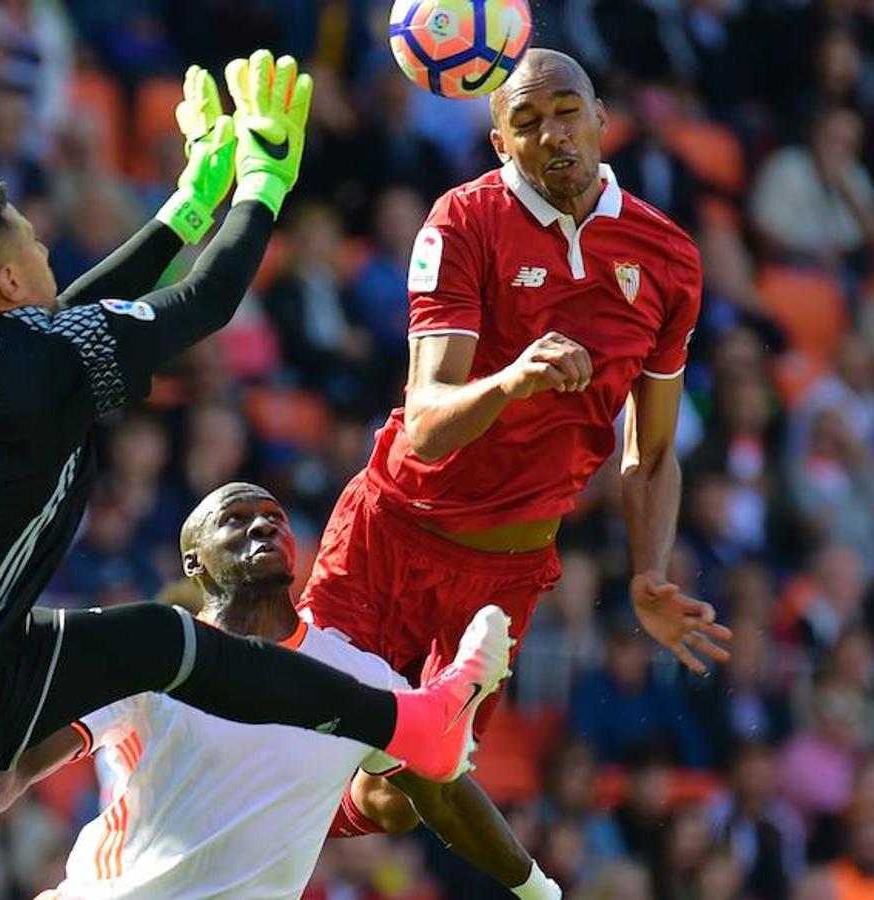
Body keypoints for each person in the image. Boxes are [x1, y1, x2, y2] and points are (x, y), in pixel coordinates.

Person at [0, 53, 507, 900]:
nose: (46, 241)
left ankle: (414, 726)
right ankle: (412, 725)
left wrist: (187, 204)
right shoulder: (32, 362)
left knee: (157, 642)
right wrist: (261, 186)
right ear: (9, 280)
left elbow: (70, 325)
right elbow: (205, 303)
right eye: (31, 237)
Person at [295, 47, 732, 834]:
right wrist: (511, 382)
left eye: (566, 111)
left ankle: (284, 816)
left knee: (406, 799)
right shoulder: (462, 220)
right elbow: (424, 422)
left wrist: (648, 570)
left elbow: (655, 451)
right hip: (390, 537)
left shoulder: (667, 257)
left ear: (601, 118)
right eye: (525, 123)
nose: (552, 134)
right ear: (501, 145)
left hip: (502, 579)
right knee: (291, 750)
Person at [0, 483, 561, 899]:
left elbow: (442, 795)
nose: (262, 526)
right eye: (236, 519)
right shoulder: (159, 654)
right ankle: (448, 696)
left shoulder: (357, 673)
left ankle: (442, 703)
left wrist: (539, 890)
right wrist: (13, 775)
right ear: (194, 561)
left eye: (275, 517)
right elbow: (51, 747)